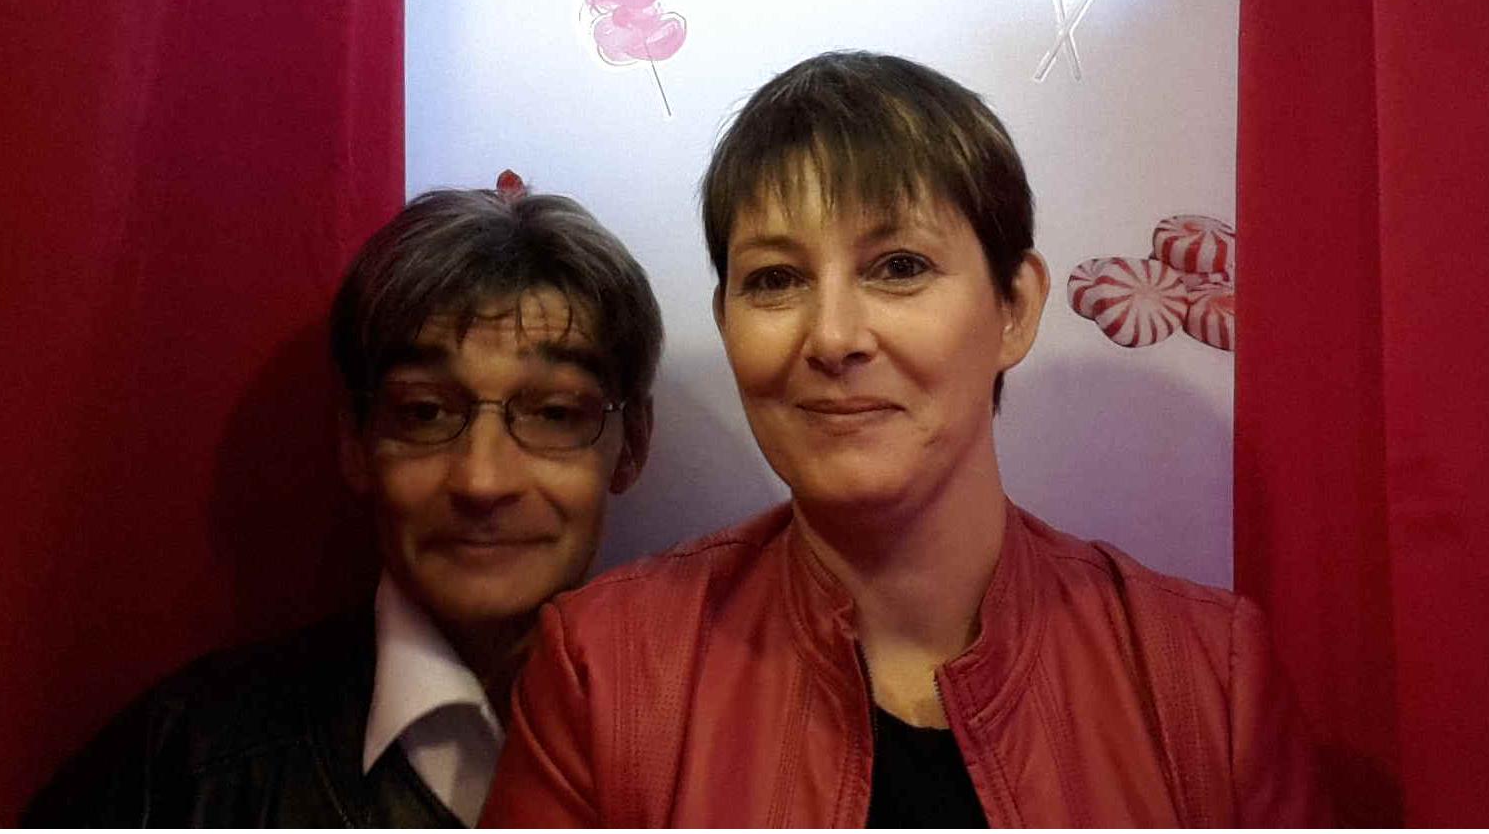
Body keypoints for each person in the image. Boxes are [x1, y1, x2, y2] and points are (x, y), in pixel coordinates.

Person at [486, 55, 1326, 826]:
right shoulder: (606, 670)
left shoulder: (1207, 681)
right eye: (775, 279)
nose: (833, 336)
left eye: (898, 266)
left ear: (1014, 307)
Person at [27, 181, 661, 826]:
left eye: (554, 413)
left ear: (632, 444)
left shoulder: (699, 733)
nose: (481, 480)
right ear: (355, 442)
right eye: (425, 412)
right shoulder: (183, 767)